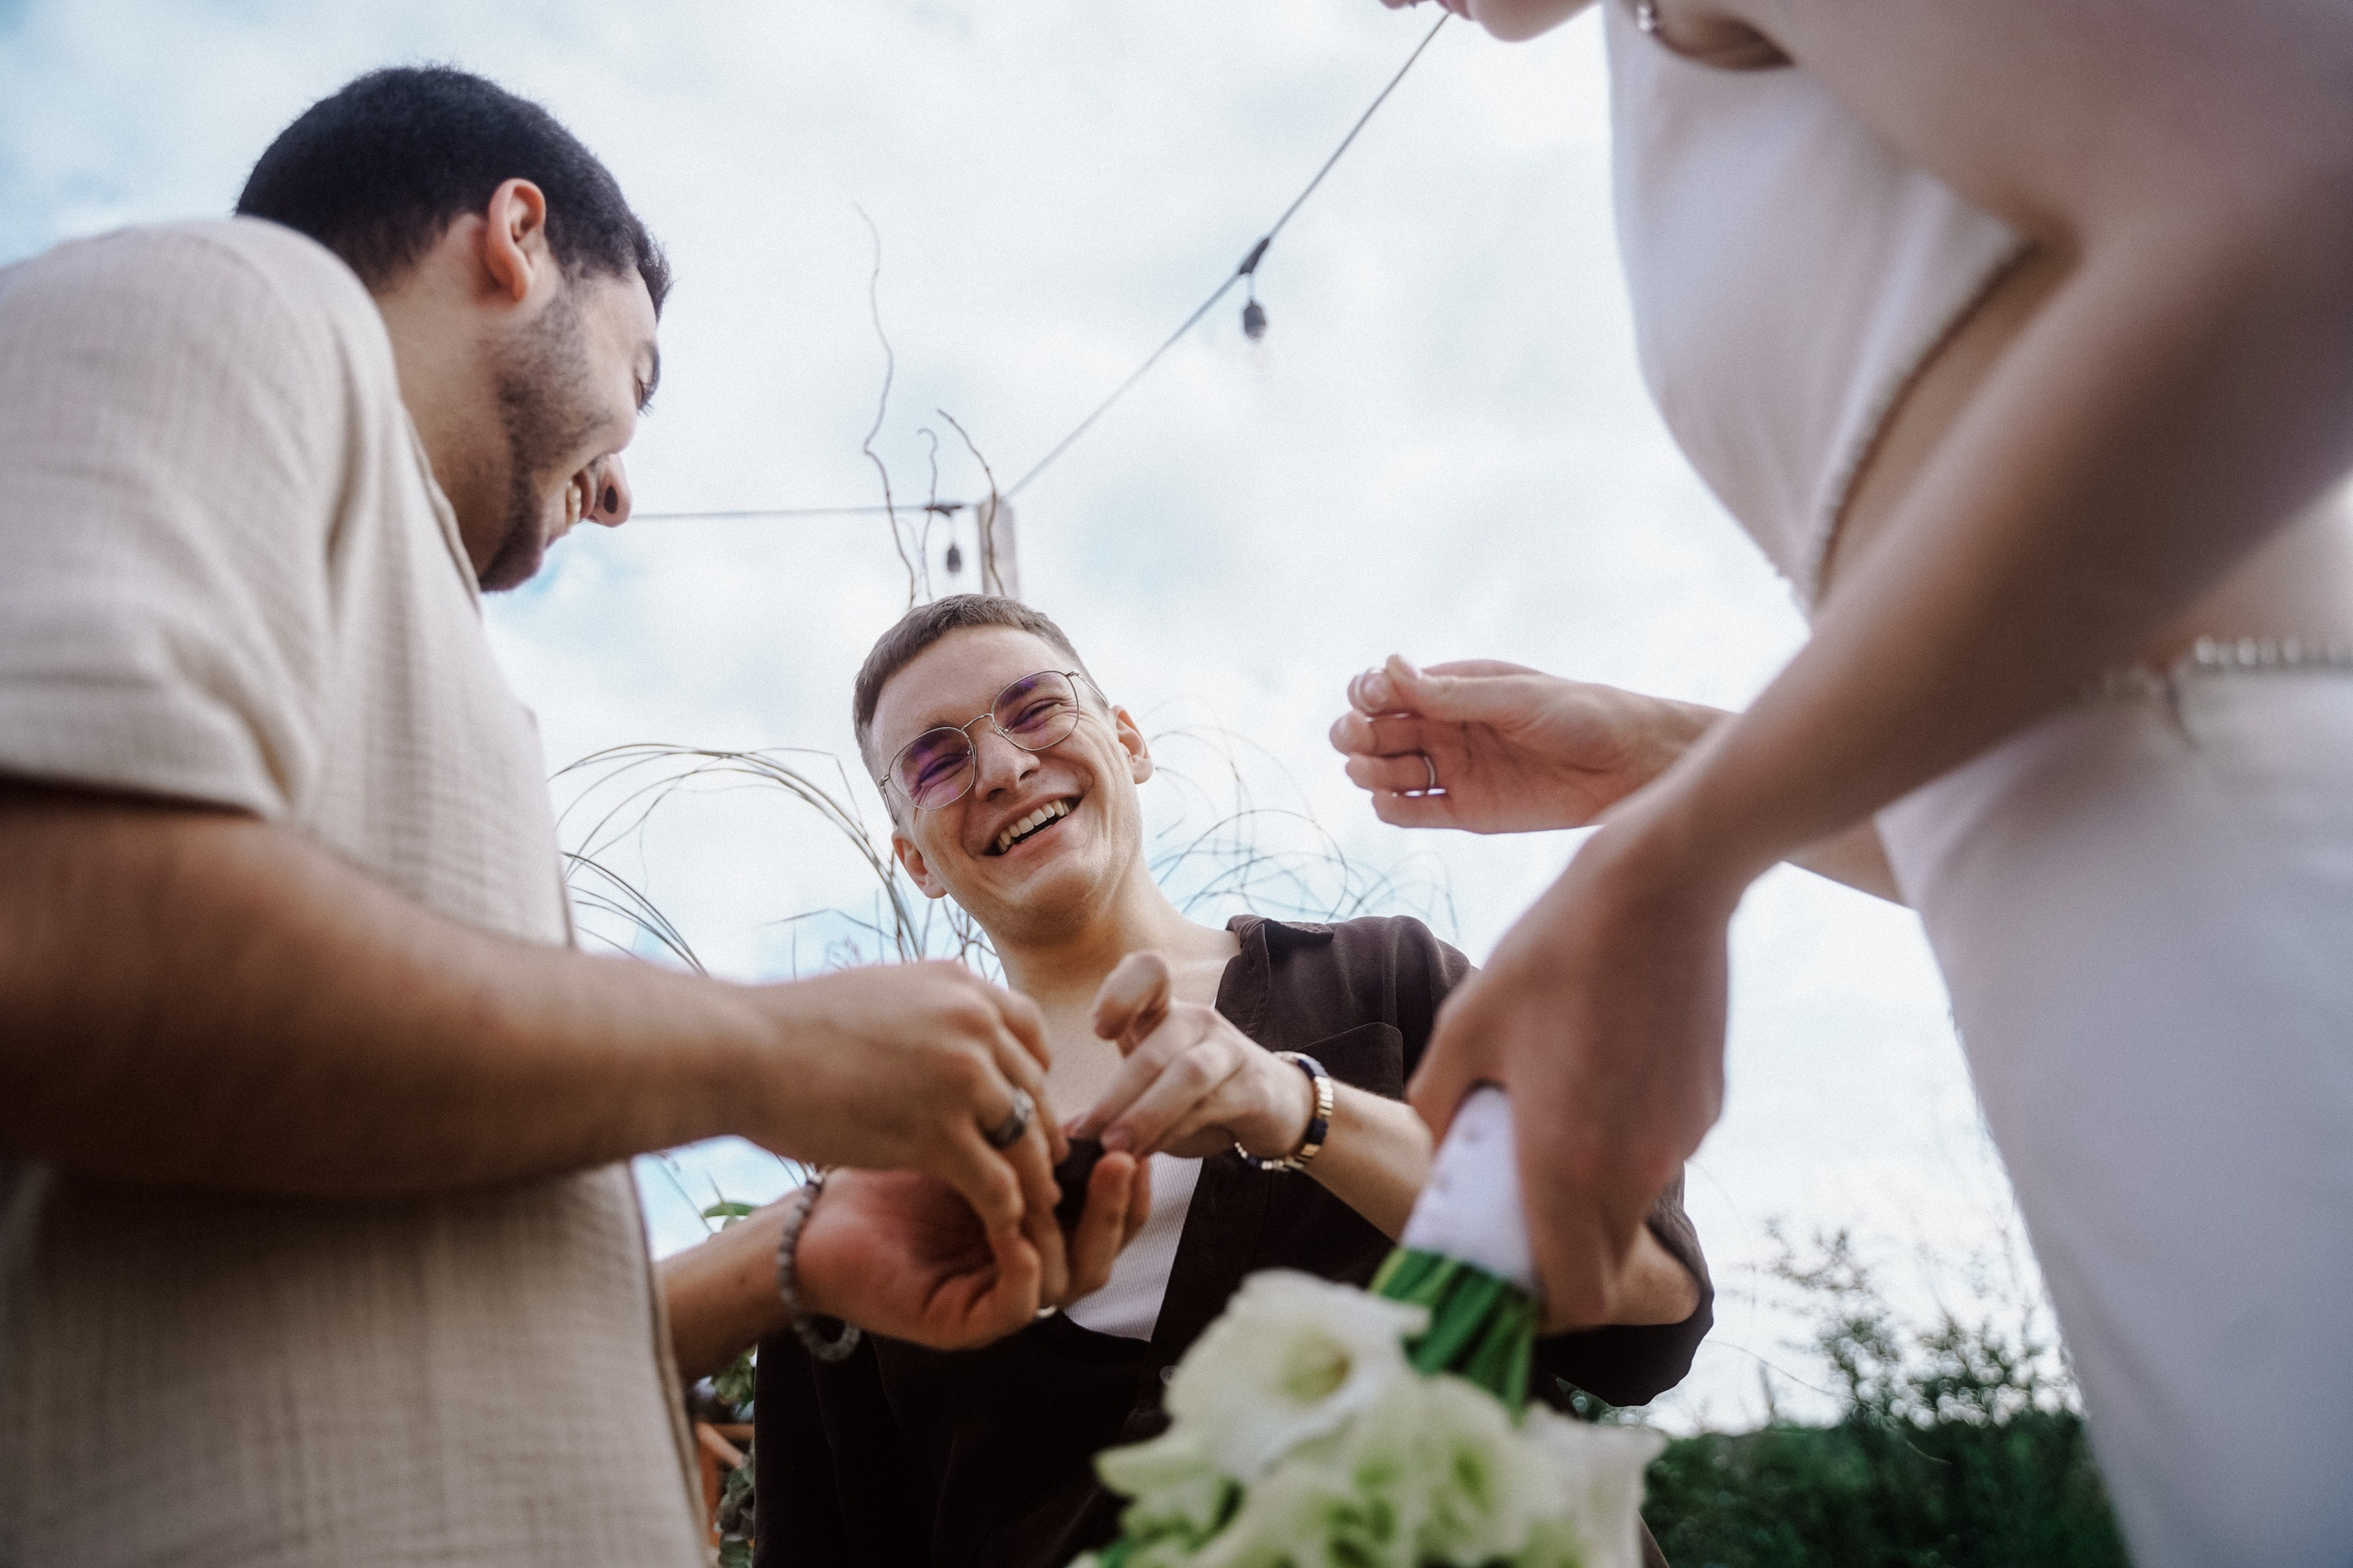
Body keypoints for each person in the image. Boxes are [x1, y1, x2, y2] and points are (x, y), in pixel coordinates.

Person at [0, 69, 1137, 1567]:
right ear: (516, 238)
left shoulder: (407, 642)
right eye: (639, 373)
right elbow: (53, 930)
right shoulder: (233, 298)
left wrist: (794, 1254)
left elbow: (364, 1212)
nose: (618, 497)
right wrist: (762, 1047)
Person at [1335, 3, 2353, 1563]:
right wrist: (1669, 759)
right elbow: (2027, 772)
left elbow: (2300, 195)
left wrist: (1686, 849)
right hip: (2103, 1017)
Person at [660, 595, 1709, 1568]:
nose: (1002, 764)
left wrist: (1301, 1108)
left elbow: (1646, 1320)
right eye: (936, 760)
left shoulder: (1386, 979)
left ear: (1126, 739)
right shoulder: (866, 1200)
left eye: (1033, 707)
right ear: (915, 856)